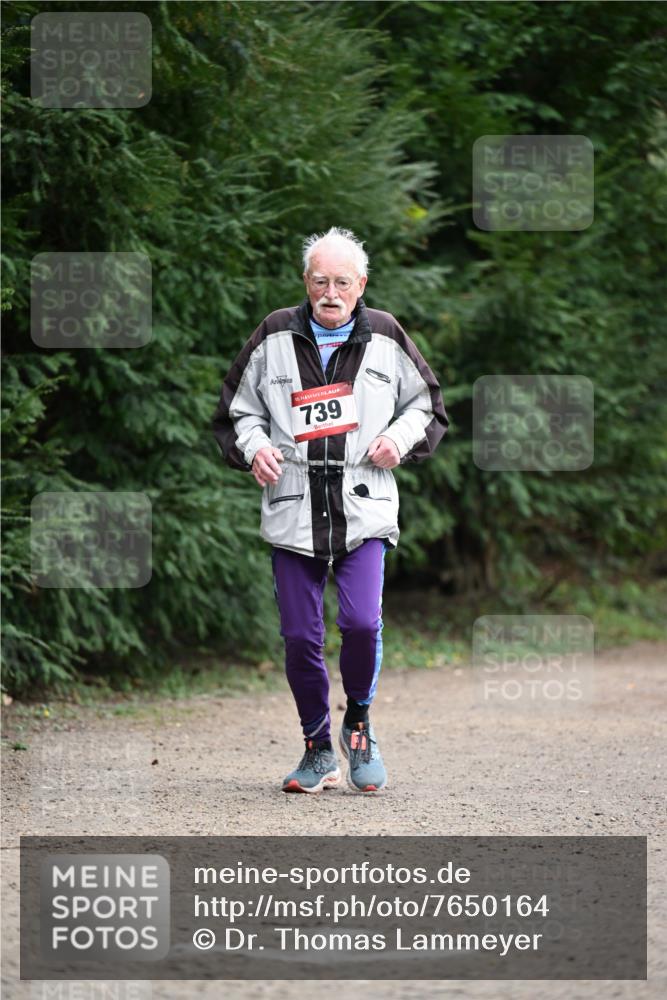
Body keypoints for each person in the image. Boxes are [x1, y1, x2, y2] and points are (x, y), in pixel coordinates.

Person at [212, 227, 448, 794]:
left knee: (362, 623)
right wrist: (255, 447)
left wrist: (397, 439)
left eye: (342, 282)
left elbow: (425, 405)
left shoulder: (386, 334)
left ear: (361, 284)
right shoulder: (273, 333)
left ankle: (358, 726)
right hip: (293, 508)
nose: (330, 293)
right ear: (306, 282)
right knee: (300, 636)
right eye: (320, 281)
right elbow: (238, 410)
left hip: (362, 505)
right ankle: (317, 747)